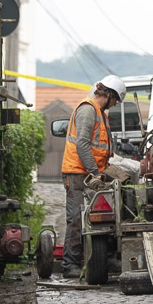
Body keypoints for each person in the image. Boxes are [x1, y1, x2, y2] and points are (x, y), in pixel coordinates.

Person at [60, 74, 126, 278]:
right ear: (108, 95)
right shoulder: (88, 110)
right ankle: (70, 264)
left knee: (103, 216)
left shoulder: (99, 113)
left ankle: (104, 258)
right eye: (115, 101)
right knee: (77, 218)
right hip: (79, 173)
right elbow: (82, 144)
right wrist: (95, 173)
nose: (114, 105)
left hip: (90, 172)